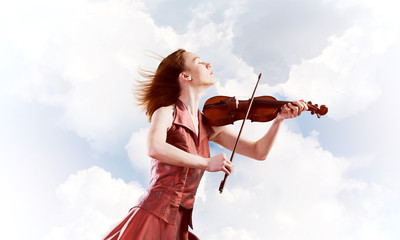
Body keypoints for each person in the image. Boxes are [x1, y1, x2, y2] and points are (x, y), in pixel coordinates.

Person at [103, 49, 307, 240]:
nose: (208, 63)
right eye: (199, 62)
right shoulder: (166, 112)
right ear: (186, 76)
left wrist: (278, 119)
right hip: (156, 213)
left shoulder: (209, 126)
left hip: (180, 220)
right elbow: (155, 147)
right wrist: (206, 163)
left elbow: (258, 152)